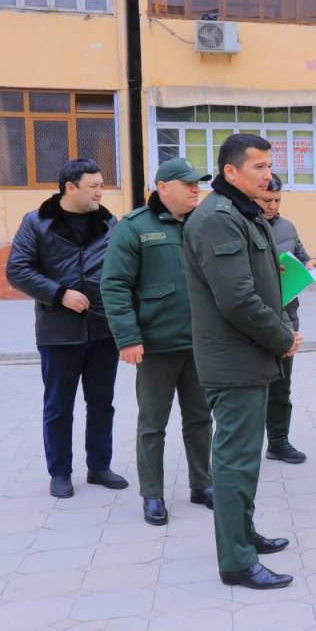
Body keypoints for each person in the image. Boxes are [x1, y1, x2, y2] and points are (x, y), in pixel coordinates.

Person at [183, 134, 301, 590]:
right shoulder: (218, 218)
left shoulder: (242, 212)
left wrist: (280, 330)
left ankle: (243, 534)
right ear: (230, 172)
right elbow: (237, 299)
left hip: (250, 353)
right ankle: (235, 561)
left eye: (269, 166)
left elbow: (264, 283)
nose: (268, 175)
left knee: (246, 459)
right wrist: (281, 337)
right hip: (234, 359)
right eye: (259, 167)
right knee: (234, 461)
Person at [100, 158, 215, 526]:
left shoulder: (205, 223)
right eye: (188, 183)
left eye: (198, 183)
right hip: (155, 346)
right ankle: (152, 494)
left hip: (200, 343)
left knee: (200, 419)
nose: (196, 189)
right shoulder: (135, 227)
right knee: (152, 424)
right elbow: (115, 285)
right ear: (163, 187)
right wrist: (128, 338)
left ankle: (203, 484)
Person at [6, 158, 128, 499]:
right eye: (93, 186)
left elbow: (123, 268)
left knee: (102, 403)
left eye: (102, 186)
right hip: (58, 331)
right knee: (59, 406)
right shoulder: (37, 222)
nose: (100, 193)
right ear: (70, 187)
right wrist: (60, 294)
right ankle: (60, 472)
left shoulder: (109, 223)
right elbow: (17, 270)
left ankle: (99, 466)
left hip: (103, 329)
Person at [256, 174, 316, 464]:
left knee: (282, 386)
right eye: (266, 200)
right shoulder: (242, 226)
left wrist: (309, 264)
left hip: (287, 316)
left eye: (277, 200)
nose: (272, 206)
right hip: (253, 317)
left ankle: (279, 442)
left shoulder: (287, 227)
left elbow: (302, 255)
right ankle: (246, 446)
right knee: (252, 388)